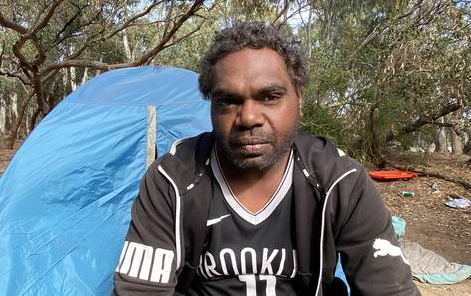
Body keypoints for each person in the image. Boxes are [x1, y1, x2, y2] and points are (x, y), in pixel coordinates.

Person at [112, 22, 419, 295]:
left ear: (299, 97)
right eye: (228, 101)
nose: (248, 117)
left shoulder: (340, 181)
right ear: (211, 105)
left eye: (270, 97)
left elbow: (390, 289)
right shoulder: (172, 180)